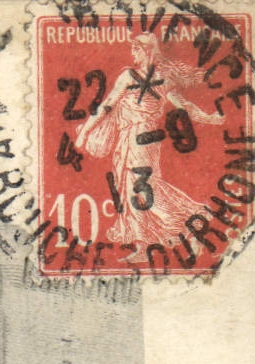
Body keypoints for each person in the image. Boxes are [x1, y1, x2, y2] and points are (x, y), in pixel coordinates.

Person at [75, 33, 225, 252]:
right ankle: (148, 242)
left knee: (138, 188)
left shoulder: (128, 76)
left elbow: (106, 106)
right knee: (137, 188)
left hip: (135, 138)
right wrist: (209, 118)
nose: (133, 54)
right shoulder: (163, 79)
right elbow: (185, 106)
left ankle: (189, 221)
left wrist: (84, 133)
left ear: (144, 51)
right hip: (147, 140)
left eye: (135, 49)